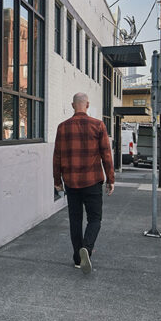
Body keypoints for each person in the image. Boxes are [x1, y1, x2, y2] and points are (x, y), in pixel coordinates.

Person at [53, 92, 114, 273]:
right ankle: (86, 248)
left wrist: (57, 181)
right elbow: (107, 155)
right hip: (92, 181)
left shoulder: (62, 127)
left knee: (75, 220)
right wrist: (111, 179)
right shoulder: (98, 125)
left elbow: (57, 157)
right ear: (86, 105)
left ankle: (78, 259)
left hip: (71, 183)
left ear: (73, 105)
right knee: (95, 219)